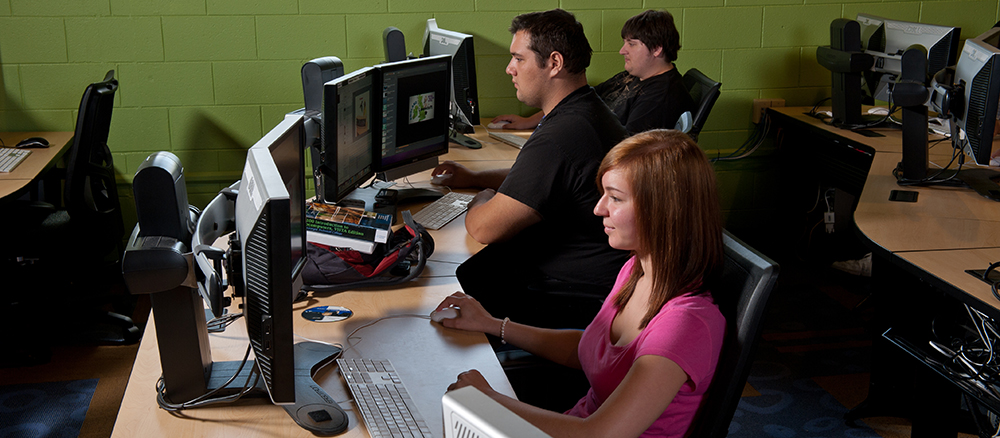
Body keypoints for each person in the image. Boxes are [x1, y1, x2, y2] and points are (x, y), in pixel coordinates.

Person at [434, 129, 728, 438]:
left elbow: (597, 434)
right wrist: (493, 324)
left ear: (663, 211)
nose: (599, 208)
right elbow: (589, 349)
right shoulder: (636, 269)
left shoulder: (685, 324)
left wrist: (489, 400)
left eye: (614, 198)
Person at [432, 9, 630, 329]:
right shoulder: (585, 110)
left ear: (554, 63)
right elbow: (540, 182)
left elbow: (484, 228)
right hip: (591, 284)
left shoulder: (562, 136)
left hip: (571, 301)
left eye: (519, 59)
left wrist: (481, 196)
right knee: (466, 270)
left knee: (443, 284)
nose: (510, 69)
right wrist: (474, 177)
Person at [491, 10, 695, 135]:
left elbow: (628, 154)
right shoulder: (633, 76)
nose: (622, 51)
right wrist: (529, 121)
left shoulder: (661, 98)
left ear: (657, 48)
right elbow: (580, 97)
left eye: (631, 44)